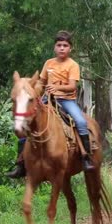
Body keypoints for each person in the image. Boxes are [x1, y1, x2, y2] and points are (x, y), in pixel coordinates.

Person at [7, 30, 94, 178]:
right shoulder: (49, 63)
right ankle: (21, 163)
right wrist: (35, 91)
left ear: (70, 48)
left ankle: (85, 157)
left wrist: (57, 88)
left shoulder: (73, 65)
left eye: (65, 45)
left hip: (66, 100)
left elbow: (72, 86)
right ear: (54, 47)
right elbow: (41, 82)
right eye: (59, 45)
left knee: (79, 121)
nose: (61, 48)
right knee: (26, 122)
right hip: (47, 99)